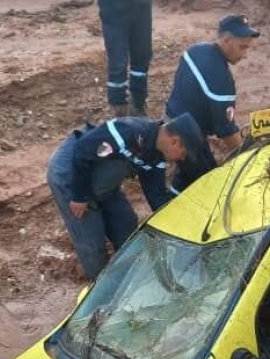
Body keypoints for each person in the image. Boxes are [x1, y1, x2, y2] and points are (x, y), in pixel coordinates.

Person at [47, 113, 204, 279]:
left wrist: (181, 226)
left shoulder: (157, 157)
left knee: (126, 225)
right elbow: (84, 150)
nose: (181, 159)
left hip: (103, 180)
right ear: (174, 141)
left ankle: (128, 277)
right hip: (71, 175)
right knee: (92, 243)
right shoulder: (130, 131)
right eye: (184, 153)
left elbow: (156, 196)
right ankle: (102, 290)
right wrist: (79, 196)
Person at [164, 14, 260, 195]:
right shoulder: (221, 79)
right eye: (242, 47)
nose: (245, 55)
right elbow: (227, 131)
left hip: (171, 117)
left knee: (187, 173)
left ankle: (174, 197)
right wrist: (248, 159)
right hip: (186, 136)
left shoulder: (196, 50)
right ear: (227, 40)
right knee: (208, 183)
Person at [98, 0, 153, 117]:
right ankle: (119, 113)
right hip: (113, 7)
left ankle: (138, 106)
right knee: (118, 62)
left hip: (142, 6)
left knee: (142, 56)